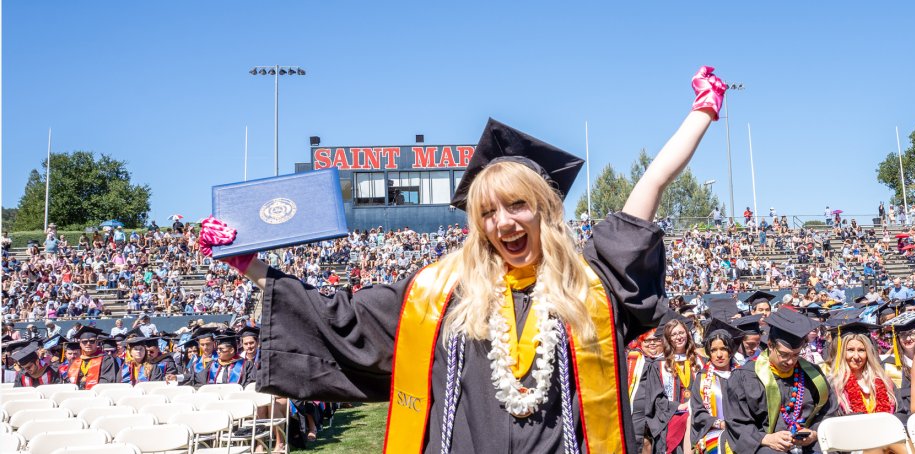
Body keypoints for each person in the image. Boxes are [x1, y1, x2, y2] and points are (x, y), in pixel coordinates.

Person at [198, 66, 727, 453]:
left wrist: (701, 114)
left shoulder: (586, 284)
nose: (504, 222)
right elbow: (344, 323)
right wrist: (251, 266)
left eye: (517, 204)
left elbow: (649, 186)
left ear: (544, 209)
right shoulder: (441, 293)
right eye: (489, 211)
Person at [724, 308, 837, 454]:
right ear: (770, 345)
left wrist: (814, 432)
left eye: (796, 355)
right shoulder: (744, 377)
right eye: (784, 355)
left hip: (806, 443)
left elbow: (828, 411)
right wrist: (764, 438)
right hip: (765, 445)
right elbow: (737, 422)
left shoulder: (812, 375)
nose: (790, 361)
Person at [827, 323, 908, 454]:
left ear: (868, 353)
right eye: (850, 350)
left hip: (887, 440)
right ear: (842, 352)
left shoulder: (885, 381)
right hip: (853, 445)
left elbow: (902, 413)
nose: (856, 356)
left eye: (861, 350)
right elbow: (833, 425)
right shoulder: (834, 385)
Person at [636, 317, 705, 454]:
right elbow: (655, 400)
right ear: (668, 338)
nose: (678, 337)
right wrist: (678, 407)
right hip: (671, 417)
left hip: (700, 413)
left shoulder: (701, 360)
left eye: (681, 333)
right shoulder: (658, 365)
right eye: (673, 334)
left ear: (687, 334)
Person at [690, 319, 743, 454]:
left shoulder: (742, 375)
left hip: (742, 433)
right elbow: (698, 412)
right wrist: (719, 423)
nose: (719, 355)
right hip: (711, 433)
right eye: (714, 350)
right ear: (709, 352)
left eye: (723, 349)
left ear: (731, 351)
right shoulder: (701, 379)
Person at [190, 332, 254, 388]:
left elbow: (249, 384)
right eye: (217, 349)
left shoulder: (245, 365)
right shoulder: (212, 364)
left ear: (231, 350)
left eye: (221, 349)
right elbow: (199, 378)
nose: (217, 351)